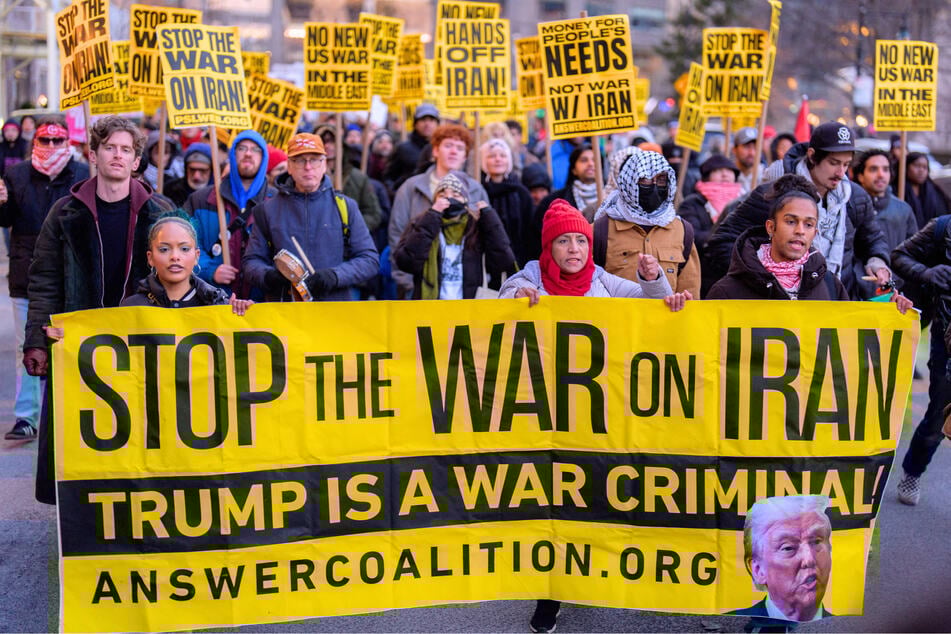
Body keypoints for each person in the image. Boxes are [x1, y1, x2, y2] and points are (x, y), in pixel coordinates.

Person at [503, 199, 690, 634]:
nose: (573, 249)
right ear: (548, 248)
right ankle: (550, 595)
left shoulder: (603, 282)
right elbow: (506, 297)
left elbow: (654, 304)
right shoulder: (531, 278)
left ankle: (588, 576)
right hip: (547, 416)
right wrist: (517, 298)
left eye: (581, 240)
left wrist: (654, 280)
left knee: (591, 498)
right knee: (553, 507)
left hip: (596, 414)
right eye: (564, 241)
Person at [24, 115, 175, 503]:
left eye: (126, 150)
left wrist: (223, 302)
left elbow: (184, 272)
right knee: (84, 437)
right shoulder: (64, 212)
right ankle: (82, 528)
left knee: (140, 438)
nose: (118, 156)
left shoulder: (160, 211)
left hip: (142, 346)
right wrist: (35, 342)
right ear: (93, 154)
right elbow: (44, 281)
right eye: (110, 147)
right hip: (81, 348)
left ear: (137, 161)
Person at [703, 122, 892, 300]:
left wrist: (877, 263)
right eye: (834, 163)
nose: (840, 173)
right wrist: (760, 277)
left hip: (834, 299)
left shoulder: (855, 197)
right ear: (812, 156)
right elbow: (722, 241)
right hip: (775, 301)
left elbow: (872, 239)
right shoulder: (774, 194)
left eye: (846, 164)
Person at [0, 116, 89, 440]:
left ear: (67, 142)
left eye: (57, 140)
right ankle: (27, 416)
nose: (51, 147)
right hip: (26, 274)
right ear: (34, 141)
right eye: (44, 140)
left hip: (70, 275)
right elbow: (5, 219)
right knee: (28, 345)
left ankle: (71, 410)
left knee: (70, 344)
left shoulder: (82, 174)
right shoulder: (17, 174)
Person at [243, 133, 378, 301]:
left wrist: (335, 276)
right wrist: (269, 276)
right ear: (289, 167)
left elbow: (369, 259)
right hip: (285, 311)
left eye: (314, 160)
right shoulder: (267, 211)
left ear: (324, 165)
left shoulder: (345, 207)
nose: (308, 167)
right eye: (300, 160)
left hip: (334, 310)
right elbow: (251, 262)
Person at [388, 123, 488, 298]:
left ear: (465, 156)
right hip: (418, 288)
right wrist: (407, 281)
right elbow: (397, 234)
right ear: (435, 151)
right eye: (448, 145)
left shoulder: (476, 190)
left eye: (459, 148)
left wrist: (481, 281)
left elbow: (486, 238)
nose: (453, 151)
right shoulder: (412, 187)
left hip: (464, 291)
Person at [891, 216, 951, 505]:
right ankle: (913, 472)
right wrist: (927, 273)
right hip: (947, 334)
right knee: (940, 413)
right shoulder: (942, 227)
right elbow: (899, 255)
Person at [593, 149, 701, 297]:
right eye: (646, 180)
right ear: (630, 181)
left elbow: (690, 291)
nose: (654, 186)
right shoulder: (601, 230)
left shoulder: (682, 231)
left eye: (661, 180)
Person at [394, 171, 515, 299]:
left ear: (465, 200)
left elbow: (504, 260)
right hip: (431, 307)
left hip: (468, 307)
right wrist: (432, 217)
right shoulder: (422, 222)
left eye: (456, 195)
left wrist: (490, 218)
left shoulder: (476, 227)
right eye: (442, 194)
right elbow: (406, 262)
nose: (448, 199)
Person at [185, 130, 273, 299]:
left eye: (255, 149)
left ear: (264, 158)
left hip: (261, 303)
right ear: (232, 155)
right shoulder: (201, 200)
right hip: (213, 301)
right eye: (242, 148)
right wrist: (210, 270)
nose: (248, 153)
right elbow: (187, 245)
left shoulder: (277, 202)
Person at [728, 496, 834, 625]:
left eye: (816, 542)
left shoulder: (849, 626)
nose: (809, 559)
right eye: (788, 548)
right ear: (758, 570)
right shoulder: (728, 625)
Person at [121, 214, 252, 314]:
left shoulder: (220, 306)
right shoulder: (131, 309)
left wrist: (246, 312)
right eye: (164, 249)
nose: (175, 257)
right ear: (150, 258)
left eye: (184, 249)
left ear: (197, 256)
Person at [852, 149, 917, 298]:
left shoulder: (903, 210)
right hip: (855, 291)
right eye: (873, 169)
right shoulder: (850, 207)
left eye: (885, 169)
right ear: (861, 176)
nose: (881, 174)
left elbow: (912, 254)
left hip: (892, 291)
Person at [528, 145, 598, 259]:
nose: (590, 164)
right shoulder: (553, 202)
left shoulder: (611, 201)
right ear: (573, 169)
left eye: (595, 160)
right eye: (584, 160)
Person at [315, 124, 382, 232]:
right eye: (323, 141)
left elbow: (373, 213)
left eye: (332, 141)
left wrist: (352, 229)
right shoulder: (307, 177)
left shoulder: (357, 177)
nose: (327, 146)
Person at [480, 138, 534, 268]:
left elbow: (529, 231)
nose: (498, 159)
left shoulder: (521, 192)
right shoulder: (479, 192)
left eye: (503, 155)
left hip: (517, 260)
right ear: (484, 161)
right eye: (492, 156)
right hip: (486, 263)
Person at [677, 154, 742, 258]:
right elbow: (690, 235)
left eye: (729, 170)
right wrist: (723, 238)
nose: (725, 174)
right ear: (707, 176)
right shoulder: (692, 203)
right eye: (718, 170)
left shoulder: (744, 200)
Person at [386, 103, 439, 192]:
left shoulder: (442, 149)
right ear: (415, 124)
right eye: (423, 120)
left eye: (431, 120)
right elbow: (389, 177)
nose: (427, 124)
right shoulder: (403, 148)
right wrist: (396, 194)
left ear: (437, 124)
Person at [902, 151, 950, 229]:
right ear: (906, 167)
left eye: (924, 167)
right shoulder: (898, 189)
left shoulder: (935, 192)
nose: (921, 170)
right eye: (917, 166)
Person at [163, 142, 212, 206]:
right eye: (192, 170)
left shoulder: (219, 195)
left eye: (203, 170)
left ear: (211, 171)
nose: (196, 176)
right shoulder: (170, 190)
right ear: (186, 169)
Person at [733, 127, 761, 194]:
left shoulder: (765, 177)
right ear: (734, 150)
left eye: (755, 147)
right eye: (746, 147)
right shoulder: (728, 178)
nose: (751, 153)